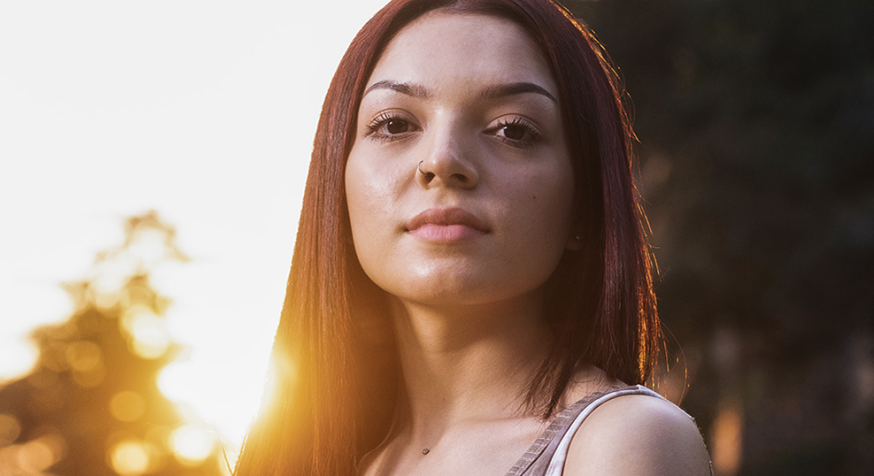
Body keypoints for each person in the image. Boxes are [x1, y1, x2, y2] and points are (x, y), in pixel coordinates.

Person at [234, 0, 713, 474]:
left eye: (512, 130)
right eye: (395, 124)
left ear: (584, 203)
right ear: (336, 181)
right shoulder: (325, 460)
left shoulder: (626, 441)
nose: (442, 160)